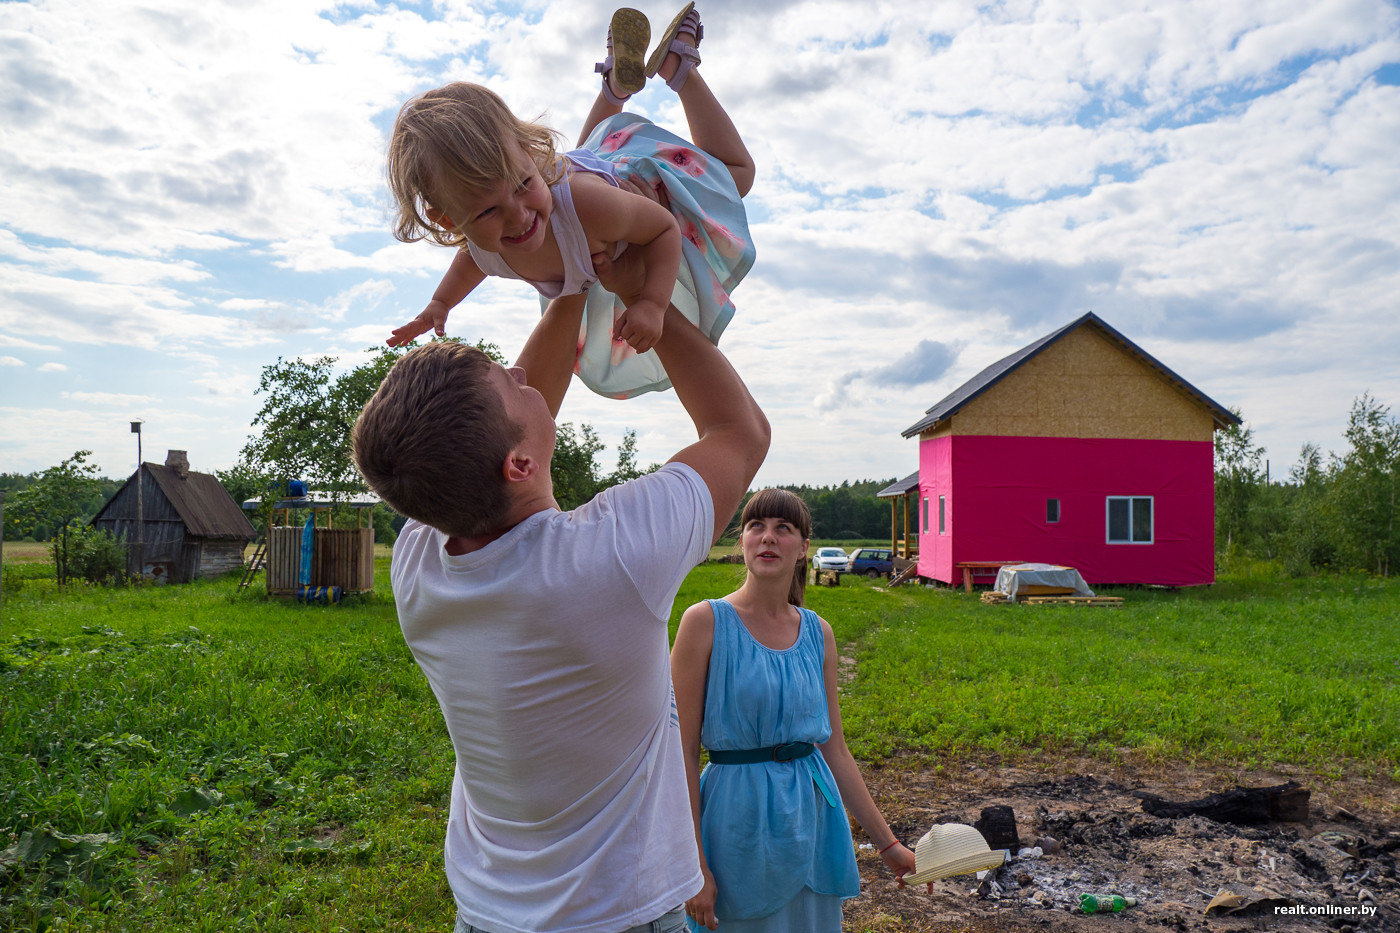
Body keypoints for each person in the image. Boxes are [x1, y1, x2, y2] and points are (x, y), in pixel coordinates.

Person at [351, 235, 769, 933]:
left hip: (489, 914)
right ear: (518, 464)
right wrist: (648, 301)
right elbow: (739, 430)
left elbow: (503, 424)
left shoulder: (420, 562)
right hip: (620, 916)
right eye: (508, 381)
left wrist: (575, 274)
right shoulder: (608, 559)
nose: (523, 372)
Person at [385, 4, 756, 400]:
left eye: (523, 183)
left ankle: (680, 68)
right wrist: (440, 304)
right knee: (568, 189)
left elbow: (663, 228)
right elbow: (473, 260)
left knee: (736, 177)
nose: (519, 217)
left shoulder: (590, 205)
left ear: (534, 154)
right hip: (581, 206)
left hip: (641, 193)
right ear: (449, 221)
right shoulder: (488, 233)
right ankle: (614, 87)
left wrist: (652, 303)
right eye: (489, 211)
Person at [670, 489, 918, 931]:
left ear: (803, 548)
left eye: (783, 528)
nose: (768, 537)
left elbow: (835, 751)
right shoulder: (703, 622)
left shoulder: (818, 633)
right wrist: (693, 867)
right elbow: (680, 754)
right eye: (756, 526)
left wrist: (889, 846)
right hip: (735, 825)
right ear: (741, 541)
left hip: (813, 822)